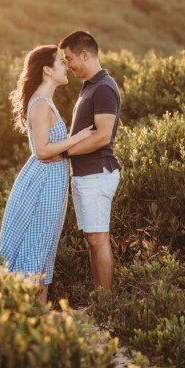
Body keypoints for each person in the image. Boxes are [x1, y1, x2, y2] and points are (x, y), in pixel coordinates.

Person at [0, 45, 94, 304]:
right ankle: (28, 317)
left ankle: (38, 319)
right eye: (61, 63)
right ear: (48, 70)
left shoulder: (45, 101)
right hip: (42, 183)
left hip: (51, 181)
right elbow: (41, 150)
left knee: (44, 247)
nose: (66, 67)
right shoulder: (40, 104)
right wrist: (77, 139)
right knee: (37, 245)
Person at [58, 31, 121, 291]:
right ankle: (99, 300)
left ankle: (105, 303)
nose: (67, 65)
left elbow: (103, 136)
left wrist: (64, 153)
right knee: (92, 239)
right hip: (86, 174)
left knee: (98, 239)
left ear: (85, 54)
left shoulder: (104, 87)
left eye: (69, 58)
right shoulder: (91, 86)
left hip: (97, 173)